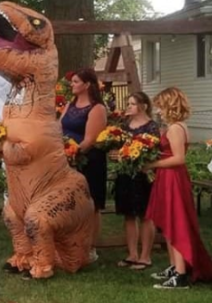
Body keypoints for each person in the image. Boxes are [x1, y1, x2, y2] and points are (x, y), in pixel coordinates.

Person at [145, 87, 212, 289]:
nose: (158, 112)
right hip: (167, 176)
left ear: (170, 106)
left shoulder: (176, 128)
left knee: (176, 221)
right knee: (168, 221)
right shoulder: (174, 127)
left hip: (173, 177)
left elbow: (178, 158)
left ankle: (181, 273)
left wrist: (151, 164)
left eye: (161, 107)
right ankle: (175, 266)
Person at [59, 68, 107, 251]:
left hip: (89, 161)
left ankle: (90, 246)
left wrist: (72, 154)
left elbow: (89, 141)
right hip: (66, 159)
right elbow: (58, 127)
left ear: (87, 85)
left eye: (76, 81)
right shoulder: (70, 104)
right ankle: (70, 242)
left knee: (90, 204)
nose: (72, 84)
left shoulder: (97, 108)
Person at [113, 92, 158, 271]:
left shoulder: (151, 127)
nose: (128, 106)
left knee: (145, 215)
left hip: (142, 175)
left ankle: (145, 256)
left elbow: (152, 151)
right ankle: (132, 254)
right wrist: (116, 153)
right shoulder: (124, 125)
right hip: (125, 174)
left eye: (132, 104)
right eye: (128, 103)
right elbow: (119, 147)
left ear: (143, 106)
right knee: (128, 215)